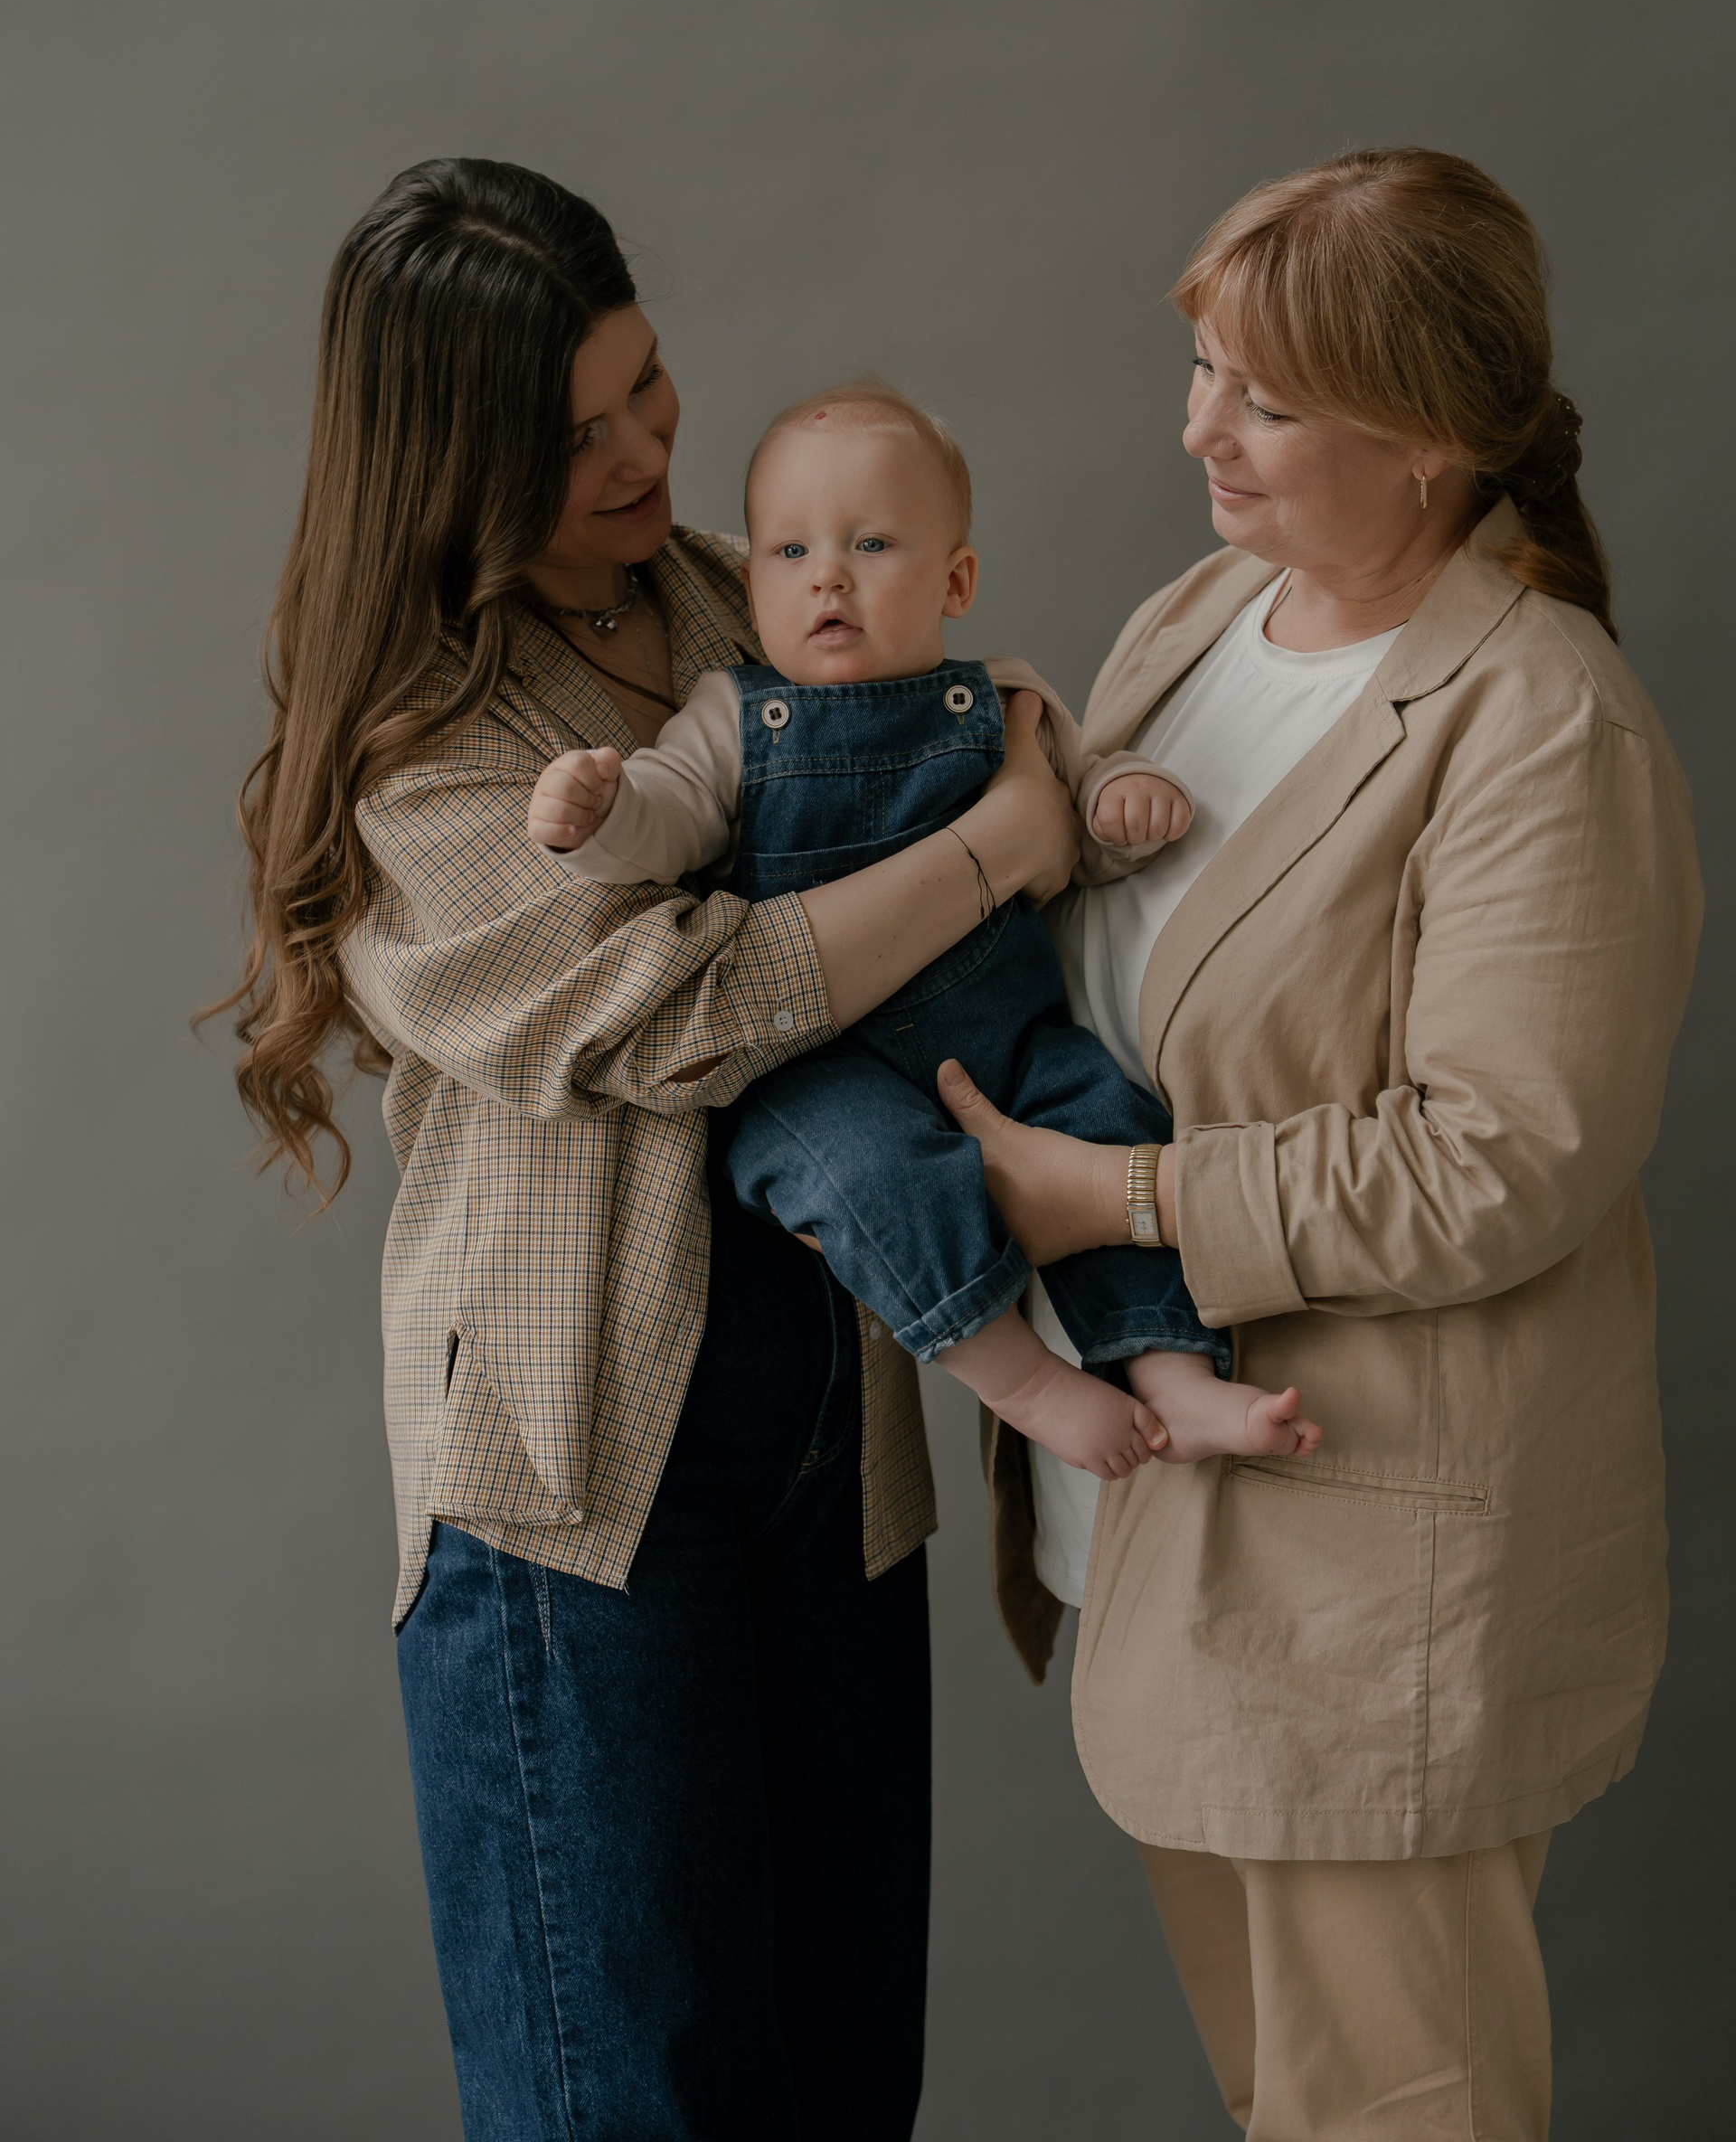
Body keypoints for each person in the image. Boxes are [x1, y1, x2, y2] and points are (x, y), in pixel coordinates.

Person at [209, 156, 1085, 2142]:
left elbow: (957, 731)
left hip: (834, 1439)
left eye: (647, 386)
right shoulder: (418, 738)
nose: (638, 454)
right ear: (445, 461)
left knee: (846, 2085)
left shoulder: (728, 592)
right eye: (571, 432)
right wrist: (993, 854)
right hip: (575, 1483)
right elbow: (674, 1011)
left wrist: (1046, 786)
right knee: (638, 2105)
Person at [934, 147, 1703, 2142]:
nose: (1199, 430)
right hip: (1170, 1533)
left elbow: (1505, 1158)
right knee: (1279, 2101)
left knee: (1390, 2117)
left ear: (1432, 437)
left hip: (1374, 1570)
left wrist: (1113, 1200)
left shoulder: (1540, 720)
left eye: (1265, 400)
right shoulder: (1204, 618)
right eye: (1202, 368)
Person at [527, 381, 1323, 1474]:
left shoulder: (999, 700)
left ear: (955, 580)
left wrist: (1119, 801)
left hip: (1008, 1041)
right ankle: (1024, 1380)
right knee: (869, 1175)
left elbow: (1077, 816)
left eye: (871, 545)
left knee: (1114, 1119)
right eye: (790, 552)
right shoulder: (732, 717)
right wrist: (603, 815)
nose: (829, 577)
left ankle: (1173, 1373)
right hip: (819, 1068)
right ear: (752, 582)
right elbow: (666, 821)